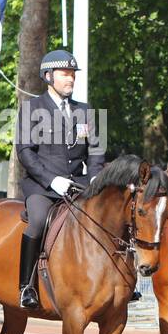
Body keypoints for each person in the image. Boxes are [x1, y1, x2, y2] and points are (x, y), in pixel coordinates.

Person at [14, 49, 105, 309]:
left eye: (72, 74)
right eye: (65, 74)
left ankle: (119, 283)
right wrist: (51, 180)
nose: (70, 79)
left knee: (111, 217)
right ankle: (27, 286)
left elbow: (96, 150)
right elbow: (25, 152)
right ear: (48, 76)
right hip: (43, 186)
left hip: (79, 183)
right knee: (39, 221)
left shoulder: (86, 111)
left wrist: (96, 176)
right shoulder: (32, 108)